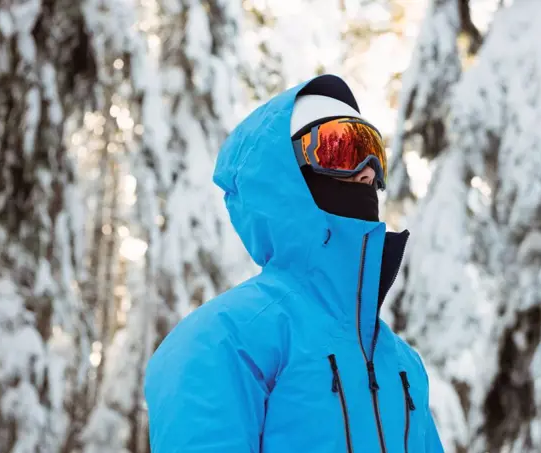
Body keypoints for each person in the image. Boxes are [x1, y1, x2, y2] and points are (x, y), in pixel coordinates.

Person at [144, 74, 445, 453]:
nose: (367, 169)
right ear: (283, 178)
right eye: (342, 148)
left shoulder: (403, 363)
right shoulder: (223, 340)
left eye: (374, 151)